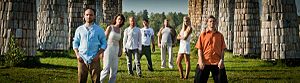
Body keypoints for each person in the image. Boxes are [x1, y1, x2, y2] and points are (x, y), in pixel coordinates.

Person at [73, 8, 107, 83]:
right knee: (81, 80)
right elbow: (75, 42)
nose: (89, 16)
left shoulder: (99, 30)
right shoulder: (79, 29)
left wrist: (98, 55)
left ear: (94, 16)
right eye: (87, 15)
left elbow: (104, 43)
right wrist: (77, 55)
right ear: (84, 16)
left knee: (96, 80)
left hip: (94, 58)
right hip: (82, 58)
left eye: (91, 15)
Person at [194, 15, 228, 83]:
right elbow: (199, 49)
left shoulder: (220, 35)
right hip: (204, 62)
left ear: (215, 23)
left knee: (222, 81)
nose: (212, 22)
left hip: (217, 62)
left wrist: (222, 60)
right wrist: (200, 61)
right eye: (210, 21)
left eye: (213, 21)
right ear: (207, 23)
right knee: (198, 81)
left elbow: (222, 49)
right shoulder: (202, 35)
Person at [100, 14, 125, 83]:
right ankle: (99, 81)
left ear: (122, 21)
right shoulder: (110, 27)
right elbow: (103, 39)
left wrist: (120, 50)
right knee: (106, 68)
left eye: (121, 19)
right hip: (108, 48)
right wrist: (101, 51)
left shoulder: (120, 30)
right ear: (116, 19)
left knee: (114, 69)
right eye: (119, 19)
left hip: (116, 49)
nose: (120, 20)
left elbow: (120, 41)